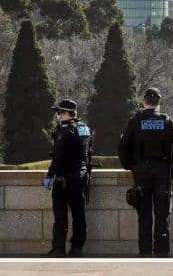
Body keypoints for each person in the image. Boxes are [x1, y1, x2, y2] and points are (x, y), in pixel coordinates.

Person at [118, 87, 173, 257]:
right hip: (162, 171)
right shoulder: (166, 121)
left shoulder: (135, 121)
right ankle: (162, 250)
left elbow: (123, 146)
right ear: (158, 103)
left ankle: (145, 251)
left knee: (144, 213)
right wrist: (171, 162)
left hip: (141, 171)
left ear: (144, 102)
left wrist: (130, 165)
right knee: (162, 214)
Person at [44, 99, 92, 257]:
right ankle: (77, 248)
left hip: (65, 178)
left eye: (58, 113)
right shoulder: (84, 128)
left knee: (60, 215)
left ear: (65, 113)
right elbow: (88, 153)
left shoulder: (64, 131)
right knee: (79, 215)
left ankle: (58, 249)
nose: (57, 116)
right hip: (81, 176)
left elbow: (58, 157)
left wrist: (50, 175)